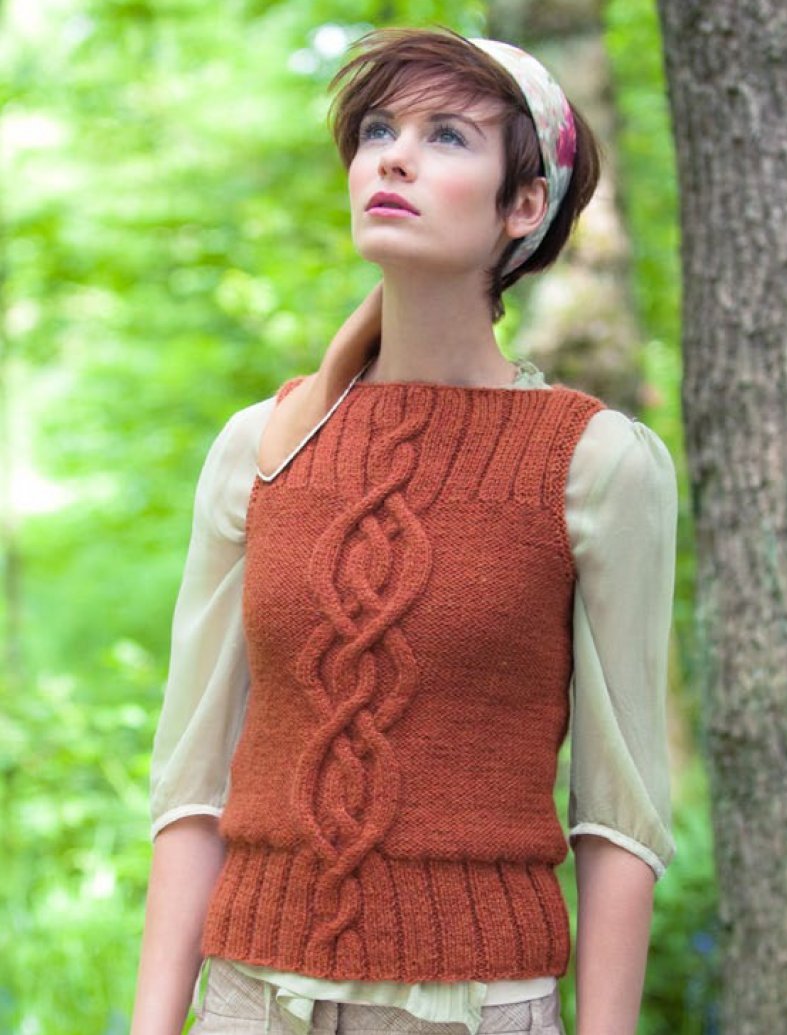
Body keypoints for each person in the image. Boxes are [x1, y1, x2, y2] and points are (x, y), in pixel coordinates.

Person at [131, 25, 677, 1035]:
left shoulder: (597, 465)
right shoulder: (261, 448)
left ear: (523, 206)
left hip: (474, 1009)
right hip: (248, 1003)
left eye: (446, 136)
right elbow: (193, 789)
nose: (392, 157)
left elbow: (619, 820)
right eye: (377, 130)